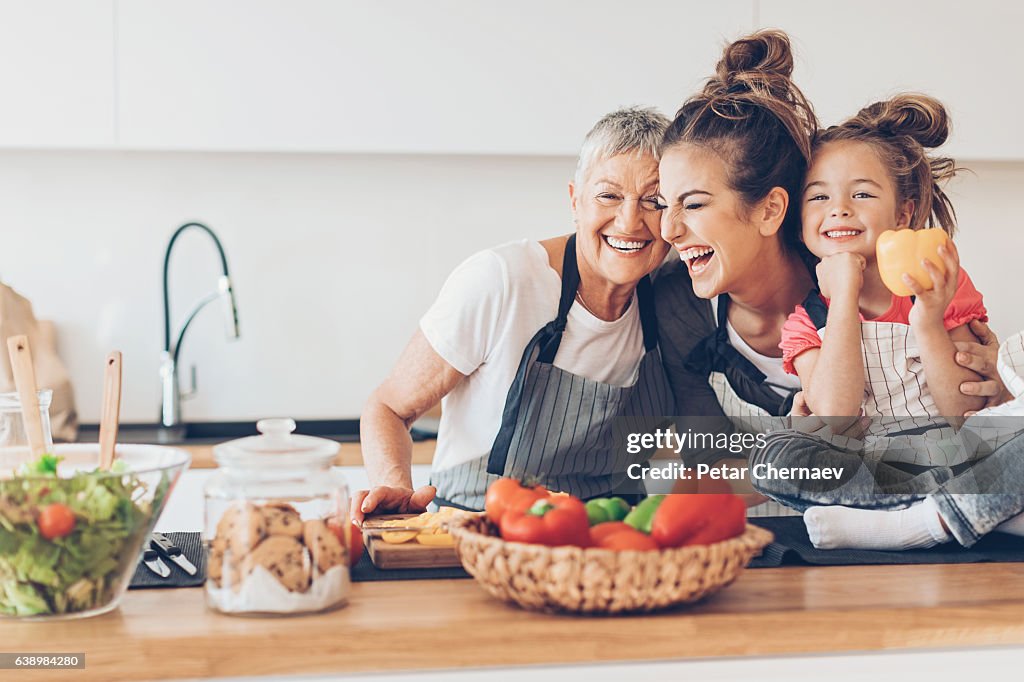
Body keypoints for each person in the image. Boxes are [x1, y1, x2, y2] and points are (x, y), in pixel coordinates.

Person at [654, 30, 1010, 495]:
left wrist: (1002, 379)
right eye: (664, 204)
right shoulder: (682, 304)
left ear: (771, 209)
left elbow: (971, 410)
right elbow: (697, 471)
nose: (668, 230)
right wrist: (799, 454)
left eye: (695, 205)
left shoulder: (868, 270)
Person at [354, 107, 674, 520]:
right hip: (474, 532)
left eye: (655, 201)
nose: (631, 221)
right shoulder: (501, 281)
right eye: (608, 195)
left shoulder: (677, 295)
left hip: (608, 541)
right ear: (575, 200)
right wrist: (396, 487)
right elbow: (388, 407)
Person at [749, 95, 1024, 549]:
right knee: (774, 459)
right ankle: (988, 509)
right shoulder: (807, 319)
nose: (838, 208)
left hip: (960, 450)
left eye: (861, 193)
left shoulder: (939, 284)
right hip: (874, 467)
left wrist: (929, 319)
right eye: (818, 196)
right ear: (800, 223)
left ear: (903, 214)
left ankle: (916, 524)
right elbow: (837, 418)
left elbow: (962, 410)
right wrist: (843, 299)